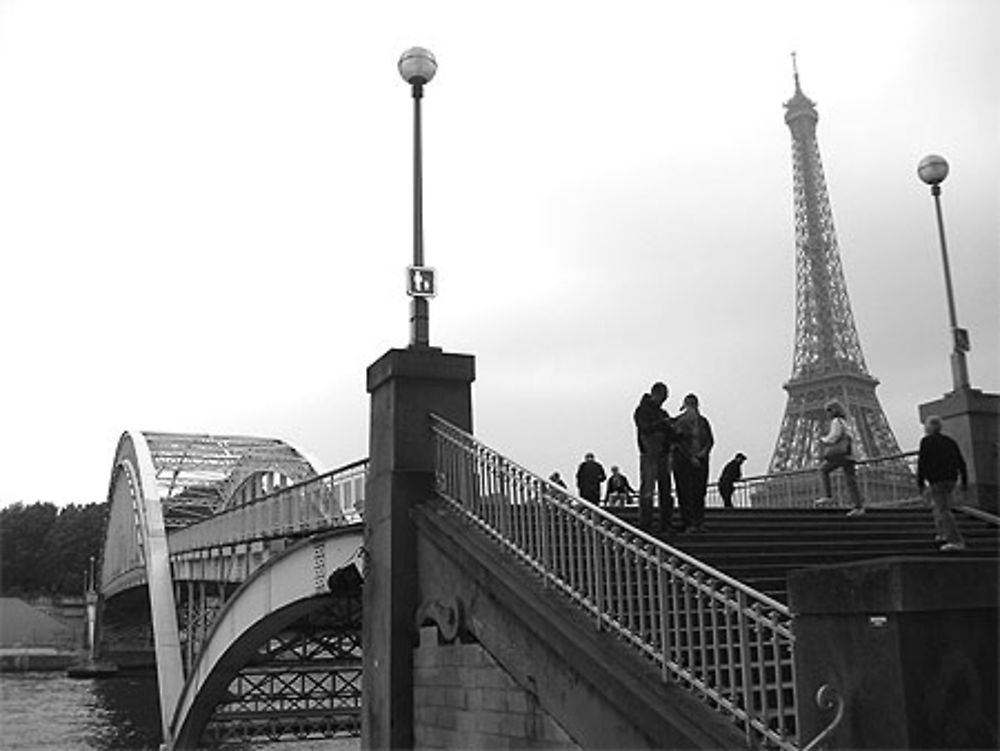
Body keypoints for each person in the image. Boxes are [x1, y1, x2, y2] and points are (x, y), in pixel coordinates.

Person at [917, 415, 968, 552]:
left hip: (937, 480)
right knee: (938, 506)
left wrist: (920, 482)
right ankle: (942, 533)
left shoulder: (926, 441)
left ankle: (956, 540)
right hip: (951, 479)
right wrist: (964, 480)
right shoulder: (950, 441)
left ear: (928, 427)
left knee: (943, 509)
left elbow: (922, 463)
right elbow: (961, 461)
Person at [633, 382, 675, 532]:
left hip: (662, 453)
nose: (665, 400)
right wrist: (662, 424)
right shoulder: (642, 411)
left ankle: (666, 523)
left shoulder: (662, 413)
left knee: (664, 490)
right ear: (656, 394)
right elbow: (645, 428)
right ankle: (646, 523)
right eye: (664, 397)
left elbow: (671, 433)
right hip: (649, 453)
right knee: (648, 490)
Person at [672, 393, 715, 532]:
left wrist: (703, 453)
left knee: (699, 492)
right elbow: (678, 442)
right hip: (684, 462)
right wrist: (691, 457)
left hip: (700, 461)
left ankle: (698, 521)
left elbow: (710, 440)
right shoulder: (680, 422)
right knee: (685, 492)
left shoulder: (703, 422)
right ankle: (689, 522)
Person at [816, 399, 865, 515]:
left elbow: (835, 436)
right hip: (849, 454)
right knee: (851, 480)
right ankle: (858, 507)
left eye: (828, 410)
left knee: (823, 470)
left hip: (840, 454)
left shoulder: (836, 421)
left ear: (834, 410)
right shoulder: (844, 422)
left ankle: (828, 496)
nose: (827, 413)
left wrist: (823, 439)